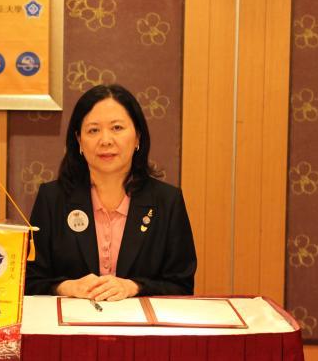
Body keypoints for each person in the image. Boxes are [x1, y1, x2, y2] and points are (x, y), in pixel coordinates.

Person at [25, 84, 196, 300]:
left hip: (139, 321)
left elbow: (181, 285)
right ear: (79, 140)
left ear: (138, 136)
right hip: (71, 320)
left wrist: (134, 287)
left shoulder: (167, 201)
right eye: (93, 130)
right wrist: (67, 287)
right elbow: (29, 280)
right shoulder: (52, 199)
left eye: (117, 128)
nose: (105, 140)